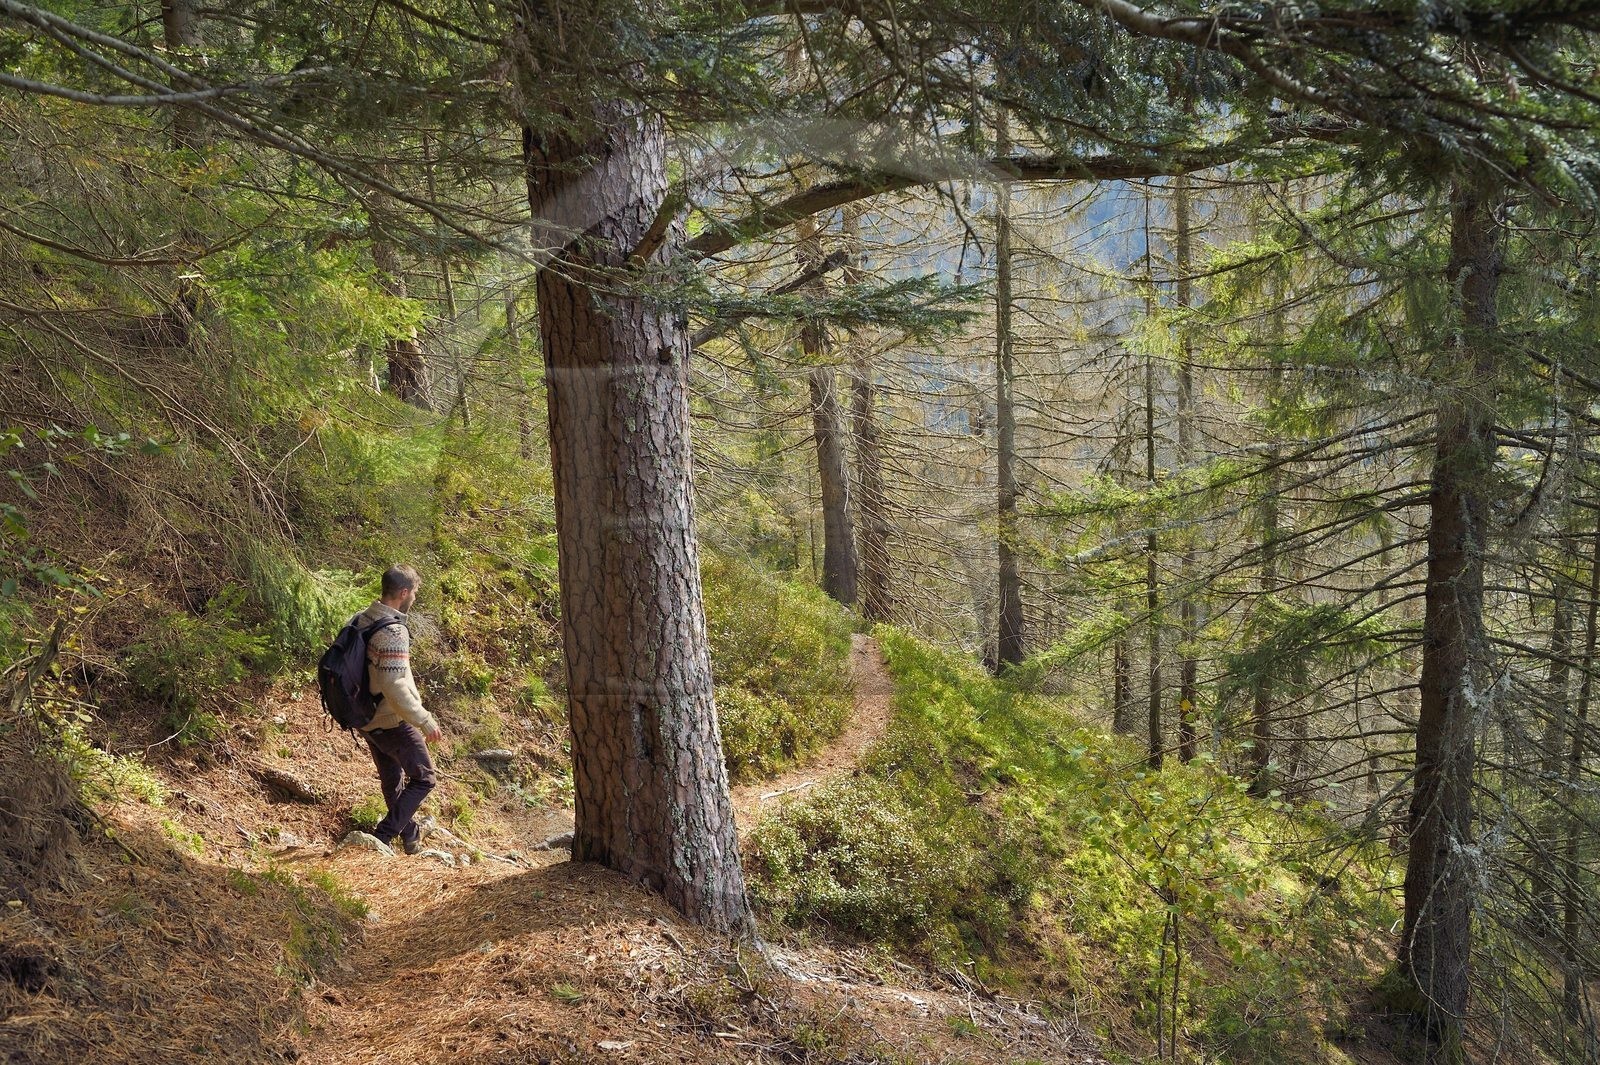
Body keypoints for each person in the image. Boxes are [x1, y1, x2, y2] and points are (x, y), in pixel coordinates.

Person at [354, 564, 441, 855]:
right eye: (414, 591)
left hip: (365, 717)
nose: (414, 596)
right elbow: (394, 685)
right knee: (425, 777)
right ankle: (383, 836)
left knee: (392, 782)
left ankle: (411, 835)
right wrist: (424, 720)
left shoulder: (362, 618)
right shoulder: (392, 632)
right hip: (389, 719)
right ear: (404, 593)